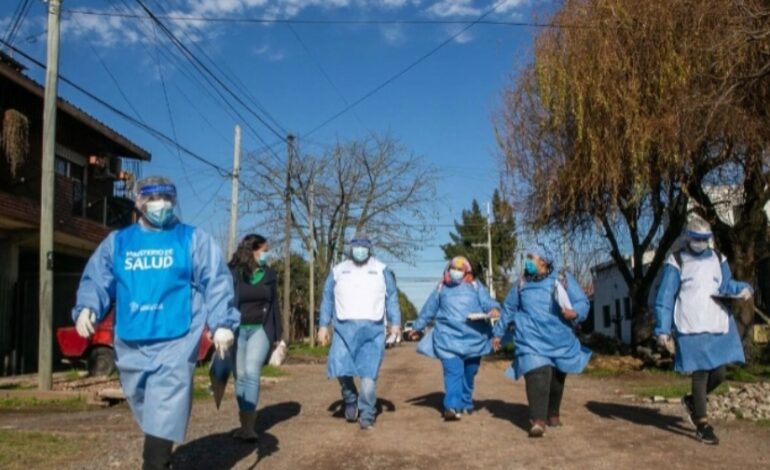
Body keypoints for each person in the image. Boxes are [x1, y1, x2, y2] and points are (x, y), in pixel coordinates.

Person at [72, 176, 239, 470]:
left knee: (163, 414)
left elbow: (215, 280)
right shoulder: (119, 243)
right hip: (132, 341)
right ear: (139, 202)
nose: (160, 204)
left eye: (166, 198)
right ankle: (161, 453)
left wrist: (222, 322)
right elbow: (98, 277)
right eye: (152, 198)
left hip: (176, 339)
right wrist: (88, 307)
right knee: (146, 407)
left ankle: (155, 461)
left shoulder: (191, 239)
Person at [654, 217, 752, 445]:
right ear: (688, 238)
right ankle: (703, 424)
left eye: (705, 239)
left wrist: (742, 289)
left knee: (720, 373)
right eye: (697, 239)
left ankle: (692, 402)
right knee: (700, 373)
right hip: (690, 325)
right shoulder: (677, 260)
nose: (701, 243)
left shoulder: (719, 258)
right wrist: (662, 329)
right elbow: (666, 296)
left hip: (716, 322)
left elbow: (726, 284)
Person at [491, 248, 590, 438]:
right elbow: (509, 308)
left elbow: (582, 302)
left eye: (531, 258)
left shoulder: (562, 278)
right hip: (531, 338)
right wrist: (498, 333)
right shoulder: (521, 283)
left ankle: (552, 413)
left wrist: (574, 312)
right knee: (537, 373)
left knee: (556, 379)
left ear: (543, 261)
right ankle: (538, 421)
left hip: (559, 337)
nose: (527, 262)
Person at [317, 232, 401, 430]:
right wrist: (323, 325)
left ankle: (367, 415)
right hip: (343, 330)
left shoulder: (382, 270)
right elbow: (327, 298)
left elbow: (392, 297)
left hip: (373, 331)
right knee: (340, 368)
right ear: (350, 248)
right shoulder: (338, 270)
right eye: (357, 246)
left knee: (368, 377)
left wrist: (395, 323)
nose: (360, 250)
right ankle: (350, 398)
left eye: (364, 246)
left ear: (369, 249)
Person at [408, 256, 500, 420]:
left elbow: (487, 302)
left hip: (474, 339)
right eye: (453, 268)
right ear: (448, 269)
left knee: (470, 372)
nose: (456, 272)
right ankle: (451, 406)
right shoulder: (441, 288)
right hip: (448, 339)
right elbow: (429, 309)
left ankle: (466, 401)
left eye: (460, 269)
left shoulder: (475, 286)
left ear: (467, 271)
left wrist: (493, 308)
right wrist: (417, 327)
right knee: (453, 372)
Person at [228, 234, 282, 441]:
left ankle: (250, 428)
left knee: (251, 370)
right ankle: (244, 424)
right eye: (264, 250)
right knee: (239, 375)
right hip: (237, 329)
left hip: (261, 328)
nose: (267, 254)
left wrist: (278, 334)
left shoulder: (269, 274)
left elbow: (275, 303)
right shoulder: (232, 272)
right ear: (252, 251)